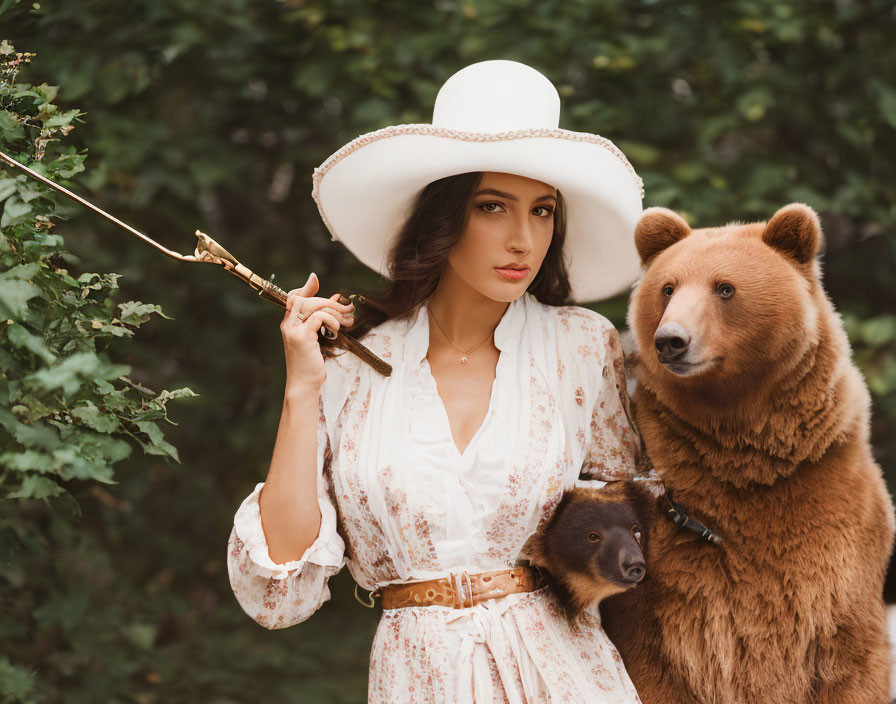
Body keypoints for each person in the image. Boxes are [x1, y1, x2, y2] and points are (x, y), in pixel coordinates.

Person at [227, 59, 647, 703]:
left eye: (541, 211)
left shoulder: (580, 345)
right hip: (416, 676)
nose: (521, 239)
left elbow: (633, 525)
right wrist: (301, 389)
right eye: (492, 207)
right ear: (443, 216)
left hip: (563, 676)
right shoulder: (348, 363)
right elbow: (278, 591)